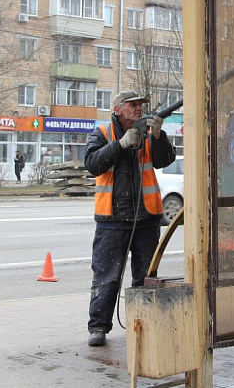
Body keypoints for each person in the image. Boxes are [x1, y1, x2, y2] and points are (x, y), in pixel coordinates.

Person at [84, 90, 176, 346]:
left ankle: (143, 322)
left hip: (145, 216)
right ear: (117, 110)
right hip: (112, 218)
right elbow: (92, 164)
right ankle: (98, 327)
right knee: (106, 275)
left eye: (140, 105)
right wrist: (121, 144)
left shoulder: (147, 132)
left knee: (145, 276)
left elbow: (164, 160)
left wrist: (158, 136)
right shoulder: (102, 133)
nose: (138, 109)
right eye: (132, 105)